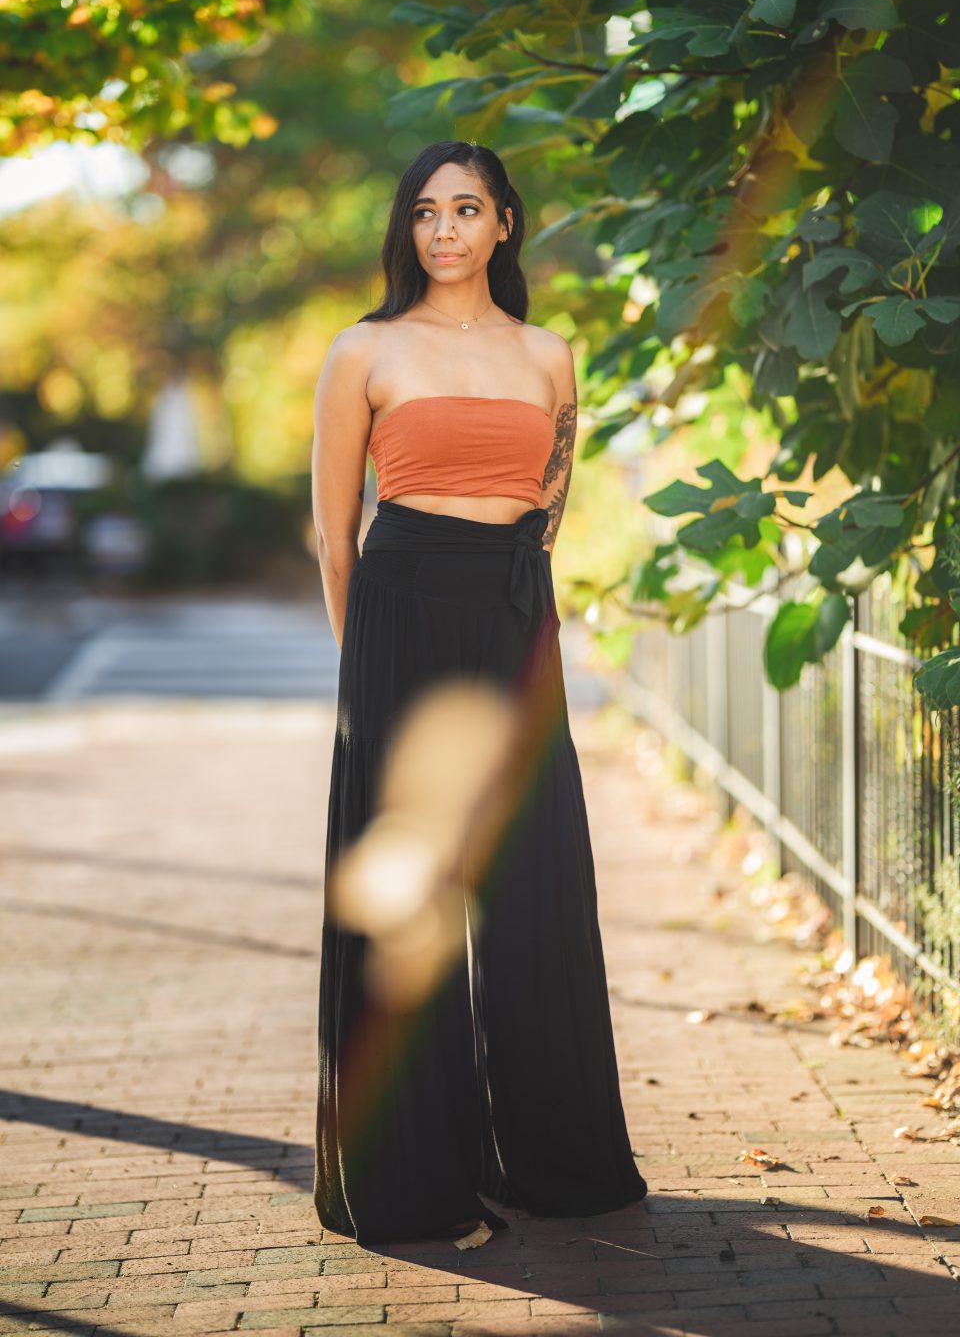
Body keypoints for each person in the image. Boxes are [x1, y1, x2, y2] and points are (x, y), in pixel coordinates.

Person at [310, 139, 647, 1247]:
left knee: (533, 880)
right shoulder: (364, 348)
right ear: (405, 229)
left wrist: (525, 614)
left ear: (505, 222)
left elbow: (548, 510)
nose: (444, 230)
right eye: (424, 212)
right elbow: (335, 533)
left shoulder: (550, 356)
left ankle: (561, 1164)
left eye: (466, 209)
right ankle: (412, 1183)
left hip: (512, 611)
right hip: (400, 610)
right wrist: (362, 670)